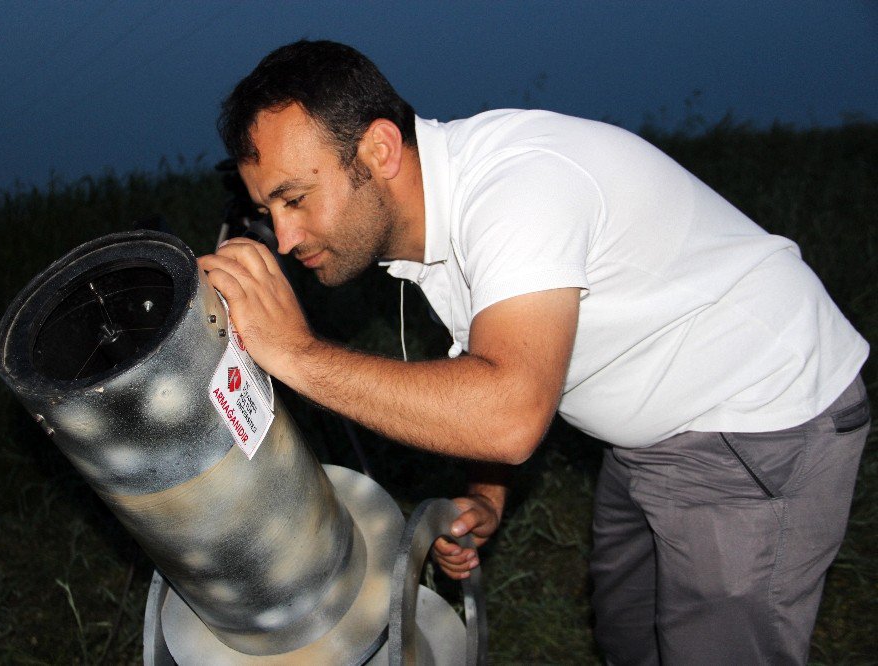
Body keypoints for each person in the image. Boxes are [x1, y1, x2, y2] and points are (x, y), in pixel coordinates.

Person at [198, 40, 870, 664]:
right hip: (651, 437)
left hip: (758, 419)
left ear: (378, 150)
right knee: (626, 624)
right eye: (269, 208)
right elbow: (491, 363)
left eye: (295, 198)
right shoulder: (435, 219)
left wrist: (296, 354)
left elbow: (511, 414)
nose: (284, 238)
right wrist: (486, 496)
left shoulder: (519, 190)